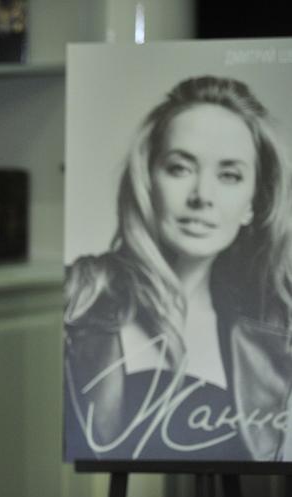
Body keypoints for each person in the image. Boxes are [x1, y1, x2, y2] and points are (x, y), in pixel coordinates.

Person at [64, 75, 292, 461]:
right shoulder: (77, 297)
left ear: (253, 204)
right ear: (147, 180)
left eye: (229, 175)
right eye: (180, 168)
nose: (202, 196)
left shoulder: (275, 331)